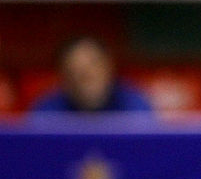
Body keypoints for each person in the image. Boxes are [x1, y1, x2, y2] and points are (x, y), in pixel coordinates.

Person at [27, 36, 155, 118]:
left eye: (93, 66)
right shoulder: (47, 109)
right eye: (76, 70)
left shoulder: (134, 104)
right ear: (63, 75)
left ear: (108, 66)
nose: (87, 76)